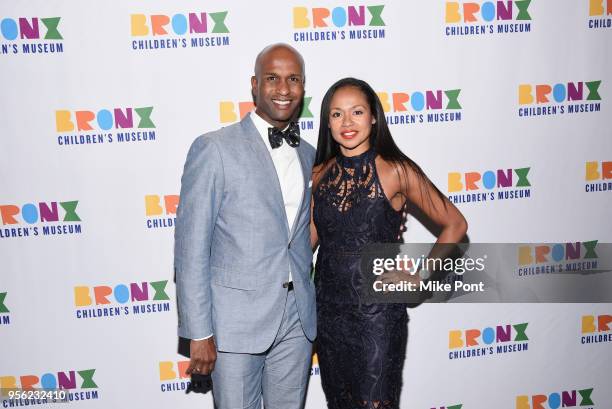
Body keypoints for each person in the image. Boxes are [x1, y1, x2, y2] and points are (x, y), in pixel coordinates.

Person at [310, 77, 468, 409]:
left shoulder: (396, 170)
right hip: (327, 313)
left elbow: (455, 224)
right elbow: (307, 242)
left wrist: (421, 280)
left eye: (356, 111)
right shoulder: (320, 173)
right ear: (327, 122)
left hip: (377, 316)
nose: (347, 122)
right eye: (337, 114)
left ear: (373, 117)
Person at [174, 43, 316, 409]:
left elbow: (300, 235)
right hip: (234, 323)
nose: (283, 89)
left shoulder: (310, 154)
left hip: (297, 321)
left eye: (293, 79)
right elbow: (191, 248)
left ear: (303, 87)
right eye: (272, 78)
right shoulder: (214, 148)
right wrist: (199, 332)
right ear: (255, 85)